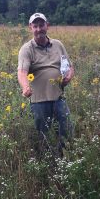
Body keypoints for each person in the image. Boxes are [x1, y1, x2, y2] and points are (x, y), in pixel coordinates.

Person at [17, 13, 74, 157]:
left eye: (41, 25)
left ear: (47, 25)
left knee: (66, 130)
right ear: (30, 28)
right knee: (44, 136)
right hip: (39, 101)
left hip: (58, 98)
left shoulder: (58, 45)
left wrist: (69, 76)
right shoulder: (26, 49)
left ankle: (64, 159)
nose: (38, 29)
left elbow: (69, 66)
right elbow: (22, 72)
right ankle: (46, 163)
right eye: (35, 26)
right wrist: (25, 87)